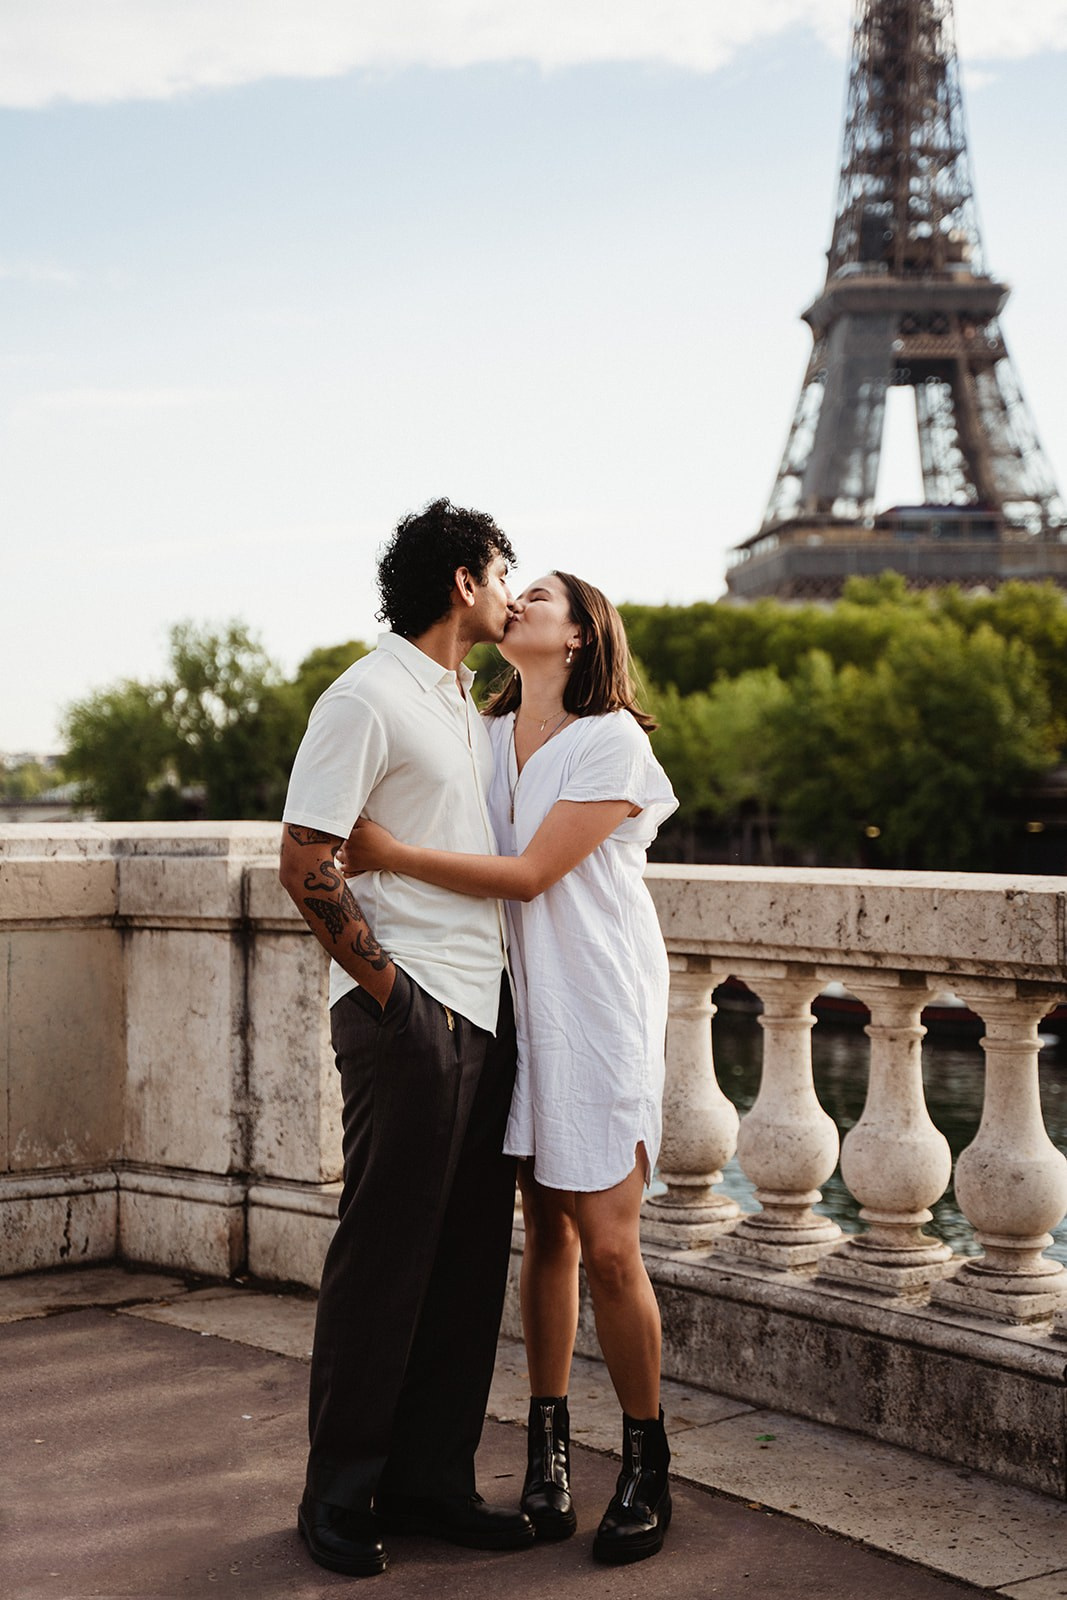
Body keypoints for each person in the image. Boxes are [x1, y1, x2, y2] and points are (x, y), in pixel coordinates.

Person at [345, 570, 679, 1566]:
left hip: (599, 1008)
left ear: (578, 637)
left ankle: (644, 1461)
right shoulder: (485, 738)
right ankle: (548, 1452)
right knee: (544, 1241)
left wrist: (387, 854)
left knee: (609, 1246)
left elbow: (533, 873)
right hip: (517, 1008)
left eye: (539, 594)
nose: (518, 600)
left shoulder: (612, 739)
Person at [278, 498, 535, 1579]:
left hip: (487, 1006)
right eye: (502, 567)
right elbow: (304, 858)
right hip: (412, 1014)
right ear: (462, 582)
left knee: (468, 1263)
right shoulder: (366, 694)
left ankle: (429, 1479)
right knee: (384, 1258)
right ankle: (337, 1492)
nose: (515, 587)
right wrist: (395, 999)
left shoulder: (465, 705)